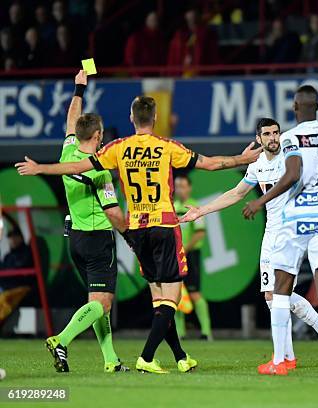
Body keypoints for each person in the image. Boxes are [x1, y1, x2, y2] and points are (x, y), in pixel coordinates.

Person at [15, 96, 262, 374]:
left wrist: (40, 168)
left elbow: (76, 167)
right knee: (172, 298)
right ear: (154, 118)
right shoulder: (166, 147)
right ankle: (146, 356)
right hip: (164, 225)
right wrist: (243, 158)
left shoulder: (117, 148)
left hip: (138, 229)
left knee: (159, 299)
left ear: (132, 119)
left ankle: (181, 356)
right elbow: (211, 164)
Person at [180, 118, 318, 371]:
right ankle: (300, 350)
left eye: (276, 132)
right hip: (271, 233)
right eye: (267, 134)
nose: (273, 137)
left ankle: (300, 351)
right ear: (258, 138)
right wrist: (201, 211)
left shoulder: (291, 156)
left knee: (278, 295)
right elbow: (237, 193)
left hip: (291, 232)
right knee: (274, 298)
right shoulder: (258, 164)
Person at [242, 86, 318, 375]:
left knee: (279, 288)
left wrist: (260, 200)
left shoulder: (291, 138)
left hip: (296, 217)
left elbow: (292, 175)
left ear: (295, 107)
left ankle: (280, 362)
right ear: (317, 106)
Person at [44, 70, 129, 373]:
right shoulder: (100, 172)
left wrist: (79, 89)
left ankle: (110, 360)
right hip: (98, 240)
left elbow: (71, 118)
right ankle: (61, 340)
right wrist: (131, 231)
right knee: (102, 304)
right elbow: (112, 212)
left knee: (97, 303)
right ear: (98, 136)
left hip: (76, 240)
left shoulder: (68, 150)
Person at [173, 174, 212, 340]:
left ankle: (206, 332)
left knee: (195, 293)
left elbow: (200, 233)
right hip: (173, 256)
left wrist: (185, 250)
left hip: (190, 255)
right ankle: (180, 333)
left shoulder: (195, 207)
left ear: (189, 188)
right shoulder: (171, 207)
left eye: (183, 186)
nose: (179, 189)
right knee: (174, 294)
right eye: (177, 186)